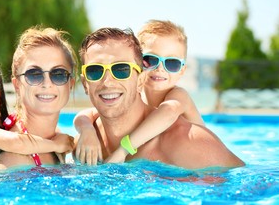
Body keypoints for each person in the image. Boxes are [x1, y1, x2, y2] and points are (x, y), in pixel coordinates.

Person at [75, 27, 245, 169]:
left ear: (141, 79)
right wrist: (86, 129)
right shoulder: (82, 146)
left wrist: (123, 150)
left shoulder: (189, 144)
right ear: (85, 84)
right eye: (95, 71)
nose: (108, 81)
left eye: (121, 69)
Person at [74, 20, 203, 165]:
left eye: (172, 63)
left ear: (182, 71)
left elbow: (168, 113)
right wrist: (87, 130)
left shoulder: (178, 95)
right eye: (151, 60)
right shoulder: (137, 98)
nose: (160, 68)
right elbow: (87, 114)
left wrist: (123, 150)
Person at [0, 26, 77, 170]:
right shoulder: (13, 162)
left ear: (70, 84)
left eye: (58, 74)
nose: (47, 83)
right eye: (34, 74)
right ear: (17, 84)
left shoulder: (60, 138)